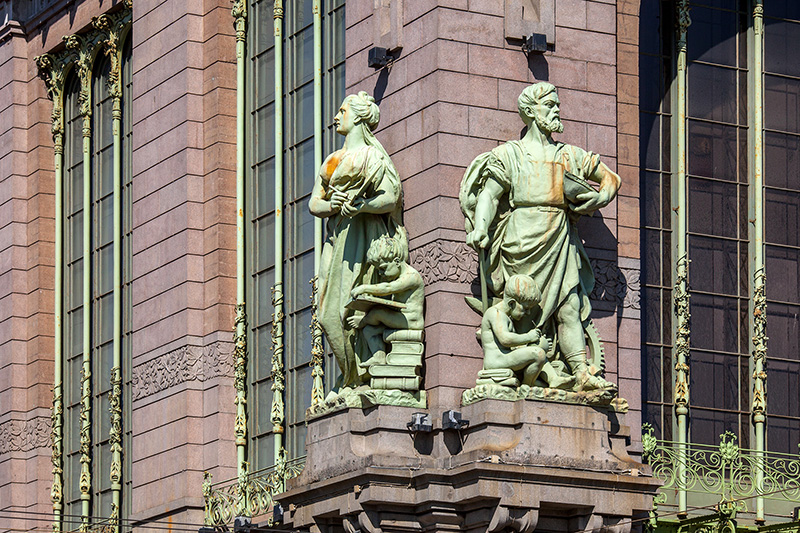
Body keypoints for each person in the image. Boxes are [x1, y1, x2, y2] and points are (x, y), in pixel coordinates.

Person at [460, 82, 621, 391]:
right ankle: (528, 368)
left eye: (557, 104)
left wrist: (601, 197)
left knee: (568, 306)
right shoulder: (510, 154)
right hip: (521, 237)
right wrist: (481, 227)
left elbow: (611, 178)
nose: (557, 110)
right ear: (531, 112)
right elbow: (490, 196)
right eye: (550, 105)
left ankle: (581, 370)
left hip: (559, 237)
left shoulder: (569, 155)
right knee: (521, 308)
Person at [309, 91, 408, 390]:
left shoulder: (373, 157)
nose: (336, 116)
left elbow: (391, 198)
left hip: (363, 238)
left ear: (359, 117)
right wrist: (333, 206)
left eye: (343, 111)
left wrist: (362, 205)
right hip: (337, 238)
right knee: (327, 314)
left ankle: (363, 375)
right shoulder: (332, 160)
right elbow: (315, 203)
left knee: (348, 310)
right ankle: (350, 376)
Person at [346, 235, 425, 366]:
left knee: (377, 313)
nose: (381, 274)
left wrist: (364, 288)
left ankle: (362, 321)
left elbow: (388, 287)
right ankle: (378, 357)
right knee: (369, 331)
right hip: (400, 318)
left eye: (383, 268)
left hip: (411, 320)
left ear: (397, 261)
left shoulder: (411, 276)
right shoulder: (401, 275)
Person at [481, 275, 550, 386]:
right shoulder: (495, 313)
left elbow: (512, 346)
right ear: (512, 303)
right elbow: (505, 339)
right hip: (497, 361)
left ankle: (552, 379)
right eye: (526, 308)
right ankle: (527, 385)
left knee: (538, 350)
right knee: (538, 354)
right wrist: (529, 337)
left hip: (505, 357)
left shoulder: (506, 318)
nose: (527, 313)